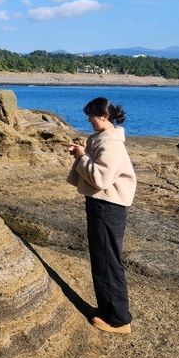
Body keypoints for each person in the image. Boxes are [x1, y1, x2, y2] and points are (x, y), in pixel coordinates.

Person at [67, 96, 137, 334]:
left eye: (92, 116)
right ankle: (110, 311)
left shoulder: (112, 144)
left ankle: (119, 320)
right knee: (102, 259)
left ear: (104, 117)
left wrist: (81, 157)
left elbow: (101, 178)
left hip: (109, 207)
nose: (89, 121)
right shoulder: (102, 139)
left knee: (107, 261)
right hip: (102, 204)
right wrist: (84, 152)